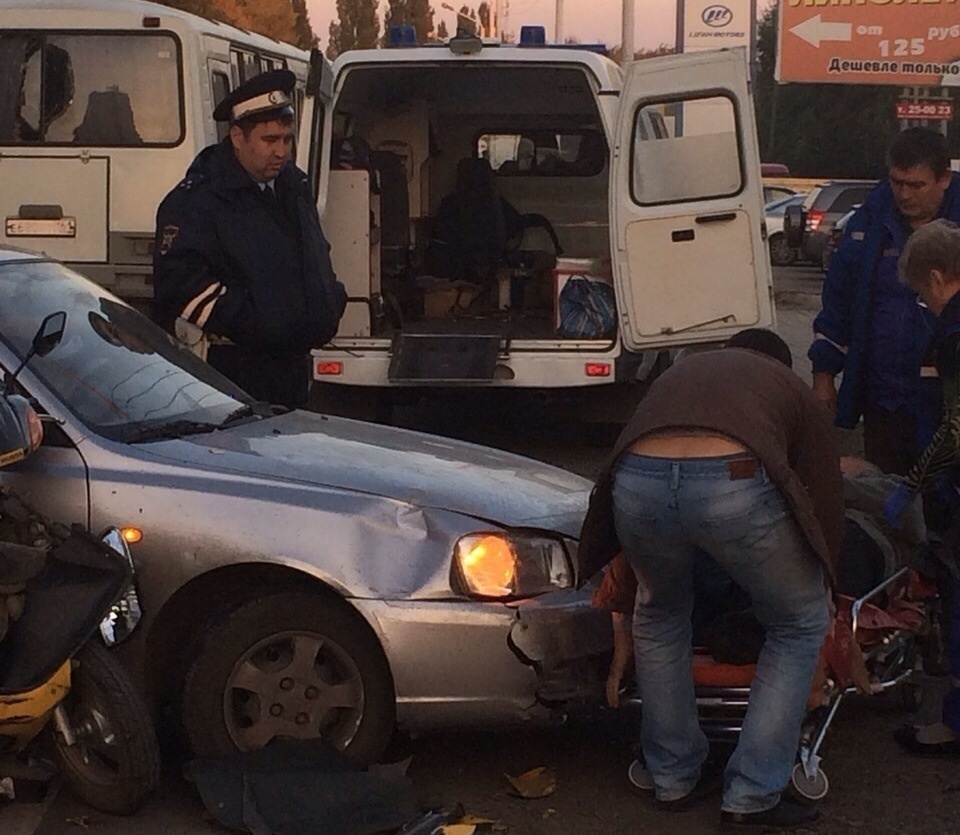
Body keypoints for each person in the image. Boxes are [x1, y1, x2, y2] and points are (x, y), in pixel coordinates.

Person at [578, 329, 843, 829]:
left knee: (658, 616)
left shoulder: (686, 370)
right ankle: (753, 793)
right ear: (782, 365)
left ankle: (673, 776)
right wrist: (827, 576)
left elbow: (623, 447)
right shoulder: (789, 389)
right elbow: (822, 497)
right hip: (731, 479)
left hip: (636, 481)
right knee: (797, 623)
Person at [152, 69, 346, 409]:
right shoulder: (196, 201)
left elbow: (315, 256)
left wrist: (328, 299)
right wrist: (263, 323)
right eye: (269, 140)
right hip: (231, 373)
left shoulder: (293, 188)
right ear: (237, 137)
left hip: (293, 369)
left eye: (287, 140)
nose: (281, 152)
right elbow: (181, 288)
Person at [810, 127, 960, 475]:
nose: (904, 195)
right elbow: (839, 302)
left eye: (916, 185)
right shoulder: (870, 220)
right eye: (897, 182)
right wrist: (823, 374)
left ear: (944, 179)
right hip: (885, 399)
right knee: (886, 496)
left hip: (946, 400)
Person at [883, 219, 960, 758]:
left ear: (937, 277)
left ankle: (951, 726)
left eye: (919, 293)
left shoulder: (954, 335)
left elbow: (957, 430)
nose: (922, 305)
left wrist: (912, 486)